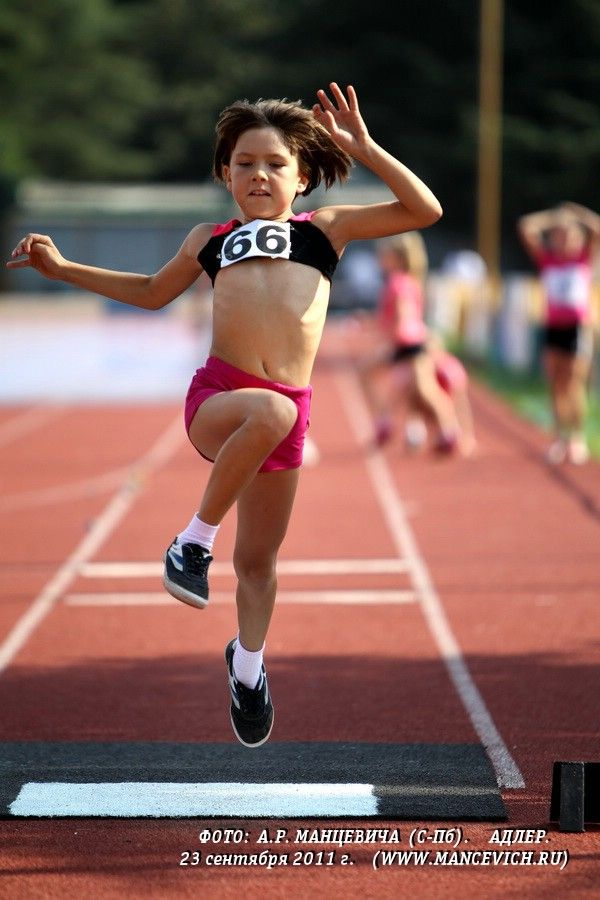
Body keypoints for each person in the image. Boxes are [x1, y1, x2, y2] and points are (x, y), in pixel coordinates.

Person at [7, 82, 442, 747]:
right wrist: (65, 270)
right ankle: (191, 542)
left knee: (259, 563)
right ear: (224, 175)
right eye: (245, 163)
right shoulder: (209, 238)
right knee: (270, 412)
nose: (259, 174)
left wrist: (366, 148)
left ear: (302, 177)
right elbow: (151, 292)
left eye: (274, 163)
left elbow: (424, 210)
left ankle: (247, 666)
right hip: (219, 398)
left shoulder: (326, 230)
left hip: (286, 412)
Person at [358, 231, 459, 452]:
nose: (380, 259)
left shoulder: (397, 282)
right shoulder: (411, 281)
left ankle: (446, 430)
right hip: (409, 343)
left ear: (397, 258)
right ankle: (389, 422)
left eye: (384, 255)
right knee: (413, 388)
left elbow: (403, 314)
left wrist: (394, 331)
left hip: (409, 344)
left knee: (424, 390)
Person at [517, 202, 600, 464]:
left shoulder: (584, 258)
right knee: (556, 384)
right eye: (559, 235)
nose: (564, 240)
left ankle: (577, 438)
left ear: (578, 239)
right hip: (553, 327)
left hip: (577, 328)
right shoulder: (547, 260)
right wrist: (553, 216)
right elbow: (526, 227)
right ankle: (559, 438)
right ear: (553, 238)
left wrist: (575, 212)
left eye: (569, 236)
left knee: (574, 383)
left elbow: (597, 228)